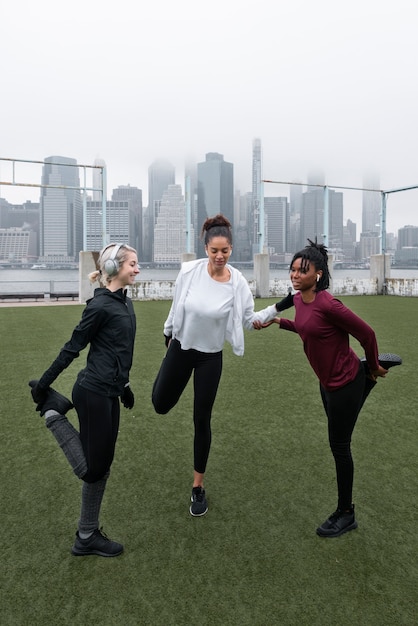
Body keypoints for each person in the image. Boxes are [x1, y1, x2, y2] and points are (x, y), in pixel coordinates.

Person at [254, 239, 401, 537]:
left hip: (343, 382)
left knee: (340, 446)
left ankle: (346, 513)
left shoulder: (328, 303)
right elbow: (308, 329)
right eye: (292, 270)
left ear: (318, 274)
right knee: (340, 430)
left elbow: (367, 333)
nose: (294, 275)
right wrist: (281, 321)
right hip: (327, 383)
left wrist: (373, 363)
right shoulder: (298, 300)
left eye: (301, 271)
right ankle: (367, 378)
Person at [151, 214, 293, 516]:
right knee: (160, 404)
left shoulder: (237, 283)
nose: (219, 256)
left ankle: (197, 487)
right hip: (180, 348)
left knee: (201, 419)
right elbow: (176, 307)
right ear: (205, 248)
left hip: (209, 358)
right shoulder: (189, 272)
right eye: (214, 250)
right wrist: (167, 334)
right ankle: (165, 374)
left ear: (231, 250)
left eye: (225, 251)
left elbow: (249, 320)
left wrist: (279, 308)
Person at [29, 243, 140, 556]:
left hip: (111, 392)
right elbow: (72, 348)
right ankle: (53, 413)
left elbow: (119, 351)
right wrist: (45, 386)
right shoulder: (100, 306)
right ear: (113, 269)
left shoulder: (125, 303)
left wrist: (125, 384)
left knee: (102, 467)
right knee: (92, 469)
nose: (137, 268)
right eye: (132, 263)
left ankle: (87, 535)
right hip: (92, 393)